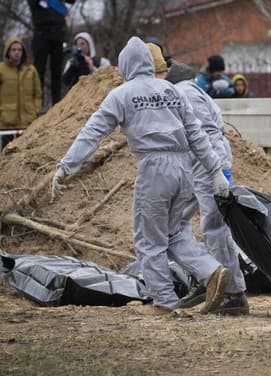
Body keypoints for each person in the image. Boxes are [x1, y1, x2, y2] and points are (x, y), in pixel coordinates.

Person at [50, 36, 232, 315]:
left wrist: (66, 167)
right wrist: (215, 171)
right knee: (174, 233)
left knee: (149, 240)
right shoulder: (172, 90)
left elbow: (93, 133)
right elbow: (196, 133)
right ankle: (212, 270)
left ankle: (164, 302)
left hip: (154, 167)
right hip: (184, 168)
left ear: (125, 65)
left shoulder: (122, 94)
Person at [167, 59, 249, 315]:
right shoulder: (193, 90)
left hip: (207, 162)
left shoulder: (184, 93)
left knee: (214, 228)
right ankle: (207, 278)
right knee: (178, 222)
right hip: (202, 163)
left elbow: (204, 133)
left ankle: (232, 294)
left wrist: (217, 171)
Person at [27, 0, 76, 105]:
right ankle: (39, 104)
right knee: (39, 70)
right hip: (41, 33)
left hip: (58, 32)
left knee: (57, 70)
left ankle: (56, 102)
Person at [0, 37, 42, 149]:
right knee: (6, 156)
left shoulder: (31, 70)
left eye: (19, 50)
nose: (17, 52)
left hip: (27, 122)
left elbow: (38, 94)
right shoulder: (1, 70)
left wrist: (35, 111)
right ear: (7, 51)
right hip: (6, 123)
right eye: (13, 49)